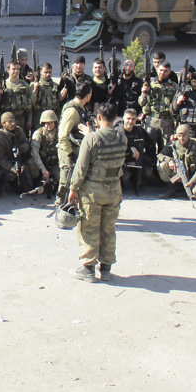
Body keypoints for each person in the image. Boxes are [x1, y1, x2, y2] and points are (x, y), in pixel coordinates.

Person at [65, 102, 126, 283]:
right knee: (109, 229)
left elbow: (80, 168)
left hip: (93, 190)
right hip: (114, 189)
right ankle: (106, 268)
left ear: (98, 117)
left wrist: (73, 189)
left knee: (89, 228)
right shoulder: (122, 138)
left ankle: (88, 268)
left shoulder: (91, 139)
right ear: (116, 118)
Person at [157, 124, 196, 200]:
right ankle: (172, 188)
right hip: (178, 173)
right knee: (163, 165)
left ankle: (187, 190)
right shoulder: (173, 144)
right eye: (179, 136)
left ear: (188, 135)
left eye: (184, 136)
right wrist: (170, 160)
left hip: (192, 175)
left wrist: (192, 181)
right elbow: (160, 155)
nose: (181, 138)